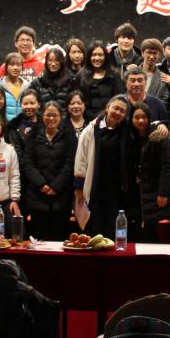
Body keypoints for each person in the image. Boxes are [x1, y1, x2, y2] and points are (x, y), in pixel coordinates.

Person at [73, 95, 132, 237]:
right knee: (95, 231)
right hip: (95, 189)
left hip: (116, 191)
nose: (118, 113)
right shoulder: (91, 129)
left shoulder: (126, 130)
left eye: (122, 111)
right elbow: (81, 159)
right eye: (115, 108)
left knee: (112, 232)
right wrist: (79, 187)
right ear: (107, 107)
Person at [21, 102, 76, 241]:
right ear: (42, 116)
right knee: (38, 239)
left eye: (55, 115)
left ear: (61, 117)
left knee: (59, 238)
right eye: (48, 115)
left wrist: (56, 186)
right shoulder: (32, 135)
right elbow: (28, 163)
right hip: (37, 195)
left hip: (61, 196)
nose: (51, 118)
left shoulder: (68, 136)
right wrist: (41, 184)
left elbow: (70, 164)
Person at [130, 103, 170, 242]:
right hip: (137, 192)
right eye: (136, 117)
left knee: (153, 233)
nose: (140, 120)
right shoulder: (131, 135)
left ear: (149, 118)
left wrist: (163, 192)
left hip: (155, 190)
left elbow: (167, 166)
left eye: (144, 117)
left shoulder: (159, 135)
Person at [78, 41, 124, 120]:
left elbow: (119, 98)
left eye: (100, 55)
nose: (97, 58)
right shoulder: (81, 75)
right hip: (86, 119)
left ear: (105, 56)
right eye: (94, 55)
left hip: (109, 118)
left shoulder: (114, 74)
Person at [8, 88, 41, 159]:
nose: (29, 106)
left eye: (32, 103)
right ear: (21, 105)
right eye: (25, 104)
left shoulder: (45, 123)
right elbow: (17, 152)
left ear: (39, 104)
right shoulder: (14, 125)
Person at [0, 52, 28, 122]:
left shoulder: (27, 86)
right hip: (4, 125)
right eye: (12, 64)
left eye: (18, 65)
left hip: (22, 126)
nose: (15, 68)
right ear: (6, 67)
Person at [139, 38, 170, 103]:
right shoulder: (131, 73)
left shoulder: (163, 78)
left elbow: (164, 101)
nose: (151, 57)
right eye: (149, 53)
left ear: (159, 55)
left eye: (155, 53)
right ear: (142, 53)